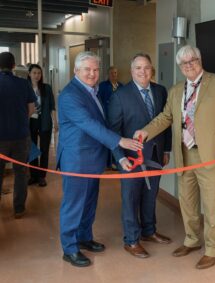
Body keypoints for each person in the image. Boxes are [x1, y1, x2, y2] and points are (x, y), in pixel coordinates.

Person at [135, 45, 215, 269]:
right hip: (184, 154)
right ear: (179, 67)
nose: (189, 65)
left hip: (210, 155)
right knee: (188, 203)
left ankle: (213, 249)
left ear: (200, 60)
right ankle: (192, 240)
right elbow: (165, 118)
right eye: (184, 63)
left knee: (211, 204)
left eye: (192, 60)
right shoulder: (175, 90)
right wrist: (146, 131)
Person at [57, 51, 143, 268]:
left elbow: (100, 124)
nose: (92, 74)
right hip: (76, 160)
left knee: (89, 203)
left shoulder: (92, 91)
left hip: (92, 159)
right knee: (74, 204)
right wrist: (119, 142)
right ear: (76, 71)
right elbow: (89, 124)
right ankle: (69, 248)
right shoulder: (70, 95)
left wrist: (117, 156)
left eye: (95, 70)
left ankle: (84, 238)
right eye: (87, 69)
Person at [108, 53, 172, 258]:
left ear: (152, 69)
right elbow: (112, 131)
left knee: (151, 196)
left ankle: (149, 231)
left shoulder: (161, 91)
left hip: (156, 154)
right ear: (131, 70)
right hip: (130, 159)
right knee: (131, 199)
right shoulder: (120, 95)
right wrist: (120, 157)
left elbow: (166, 122)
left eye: (146, 68)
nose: (143, 72)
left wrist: (166, 149)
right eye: (138, 68)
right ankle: (131, 240)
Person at [0, 52, 36, 218]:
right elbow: (31, 109)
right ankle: (19, 208)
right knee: (21, 173)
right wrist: (20, 119)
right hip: (21, 136)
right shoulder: (24, 84)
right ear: (14, 65)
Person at [27, 64, 58, 187]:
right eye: (34, 73)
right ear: (29, 74)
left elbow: (52, 106)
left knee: (44, 149)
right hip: (30, 121)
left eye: (39, 73)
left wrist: (55, 122)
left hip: (45, 121)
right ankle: (33, 175)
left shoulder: (47, 88)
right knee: (32, 149)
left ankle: (42, 176)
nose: (37, 75)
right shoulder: (25, 87)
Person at [98, 66, 123, 169]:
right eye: (112, 73)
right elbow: (99, 100)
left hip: (119, 118)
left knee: (117, 139)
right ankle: (107, 162)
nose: (114, 75)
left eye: (116, 73)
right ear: (109, 74)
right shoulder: (103, 86)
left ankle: (117, 160)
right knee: (107, 139)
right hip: (106, 116)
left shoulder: (121, 86)